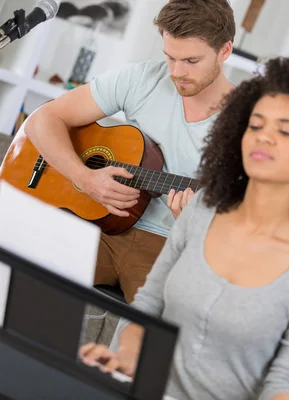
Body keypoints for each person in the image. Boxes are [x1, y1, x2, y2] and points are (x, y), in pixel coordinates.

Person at [77, 53, 289, 400]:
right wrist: (124, 358)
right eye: (256, 124)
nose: (263, 138)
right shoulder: (201, 209)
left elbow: (285, 383)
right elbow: (149, 305)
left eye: (286, 131)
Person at [23, 0, 236, 303]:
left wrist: (195, 223)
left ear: (224, 51)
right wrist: (84, 177)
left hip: (168, 246)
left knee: (157, 334)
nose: (176, 72)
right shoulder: (141, 79)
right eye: (170, 58)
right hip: (98, 228)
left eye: (191, 61)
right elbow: (42, 119)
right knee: (18, 274)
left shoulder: (251, 123)